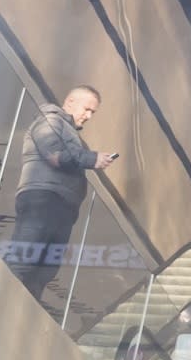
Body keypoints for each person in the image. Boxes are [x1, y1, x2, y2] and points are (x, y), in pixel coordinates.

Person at [10, 85, 117, 300]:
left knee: (44, 270)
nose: (88, 116)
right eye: (87, 109)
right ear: (70, 102)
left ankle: (23, 305)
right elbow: (54, 155)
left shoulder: (68, 131)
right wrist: (91, 159)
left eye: (92, 112)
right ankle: (8, 297)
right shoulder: (50, 119)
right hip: (44, 197)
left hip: (61, 205)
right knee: (23, 258)